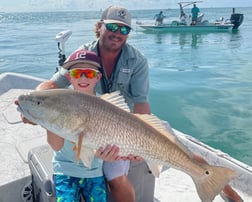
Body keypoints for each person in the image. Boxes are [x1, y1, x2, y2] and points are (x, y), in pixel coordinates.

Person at [18, 5, 243, 202]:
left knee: (185, 152)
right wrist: (33, 109)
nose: (118, 33)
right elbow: (50, 86)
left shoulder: (137, 60)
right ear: (100, 26)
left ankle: (226, 189)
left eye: (124, 29)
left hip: (130, 122)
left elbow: (142, 106)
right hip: (99, 123)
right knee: (116, 178)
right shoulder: (83, 55)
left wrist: (138, 148)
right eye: (113, 27)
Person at [48, 50, 108, 202]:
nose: (82, 77)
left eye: (88, 73)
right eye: (76, 73)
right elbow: (56, 146)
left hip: (94, 171)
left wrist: (105, 153)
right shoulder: (59, 102)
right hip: (64, 170)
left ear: (97, 77)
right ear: (69, 77)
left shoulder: (107, 106)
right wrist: (50, 121)